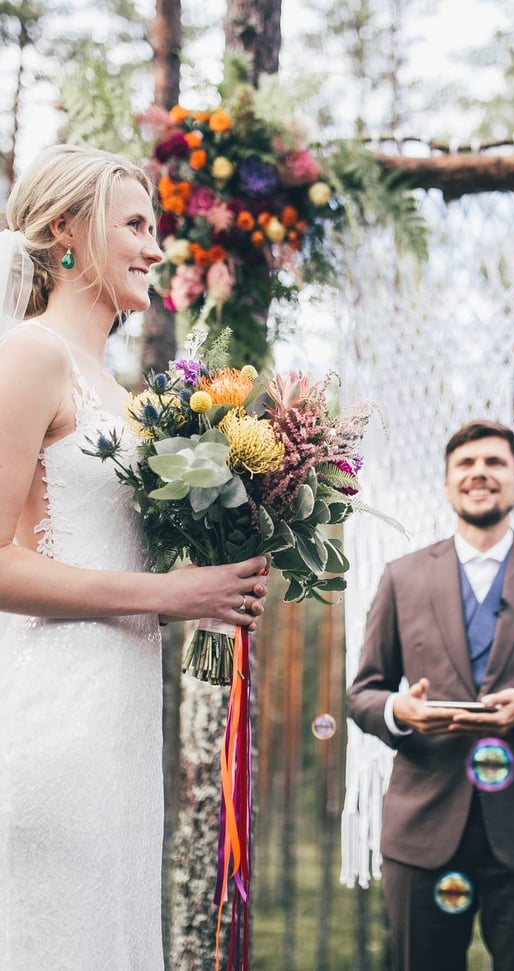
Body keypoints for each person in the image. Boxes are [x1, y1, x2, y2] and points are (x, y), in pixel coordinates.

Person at [0, 144, 269, 970]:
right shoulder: (29, 355)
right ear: (65, 232)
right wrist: (169, 592)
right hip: (53, 713)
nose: (156, 248)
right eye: (136, 225)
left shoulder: (121, 394)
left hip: (121, 721)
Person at [347, 419, 514, 971]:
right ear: (447, 486)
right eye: (465, 465)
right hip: (421, 833)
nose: (479, 474)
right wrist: (400, 710)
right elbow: (364, 694)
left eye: (494, 463)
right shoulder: (403, 577)